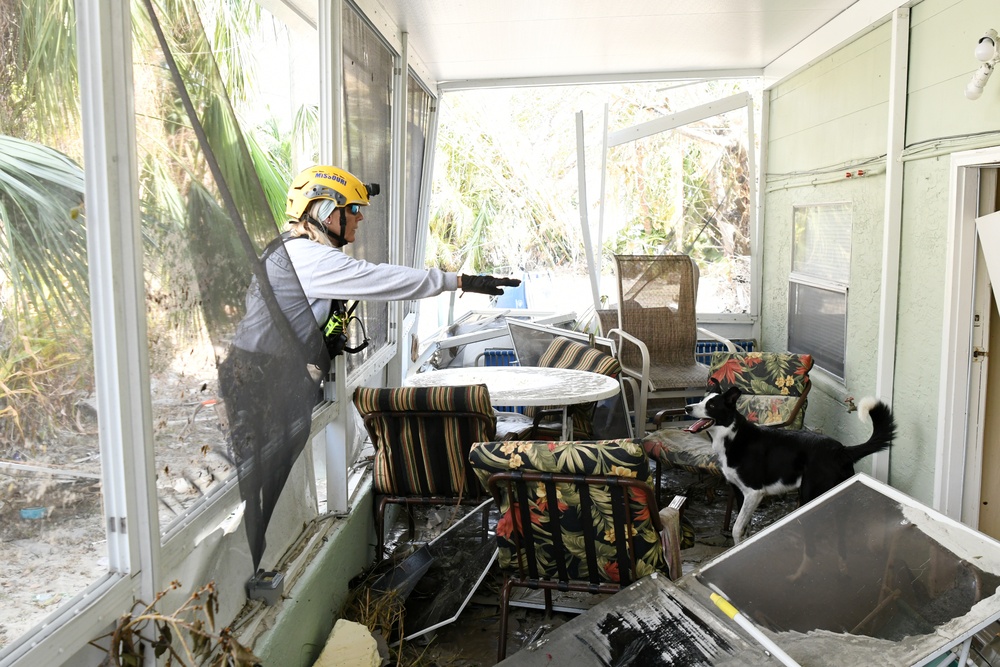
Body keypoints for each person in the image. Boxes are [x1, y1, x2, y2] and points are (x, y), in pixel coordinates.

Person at [219, 164, 520, 571]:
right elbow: (383, 280)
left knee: (264, 482)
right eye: (354, 210)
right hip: (257, 380)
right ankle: (242, 569)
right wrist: (459, 281)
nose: (361, 218)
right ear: (327, 213)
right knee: (253, 487)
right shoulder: (307, 257)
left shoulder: (295, 249)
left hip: (260, 374)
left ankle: (252, 563)